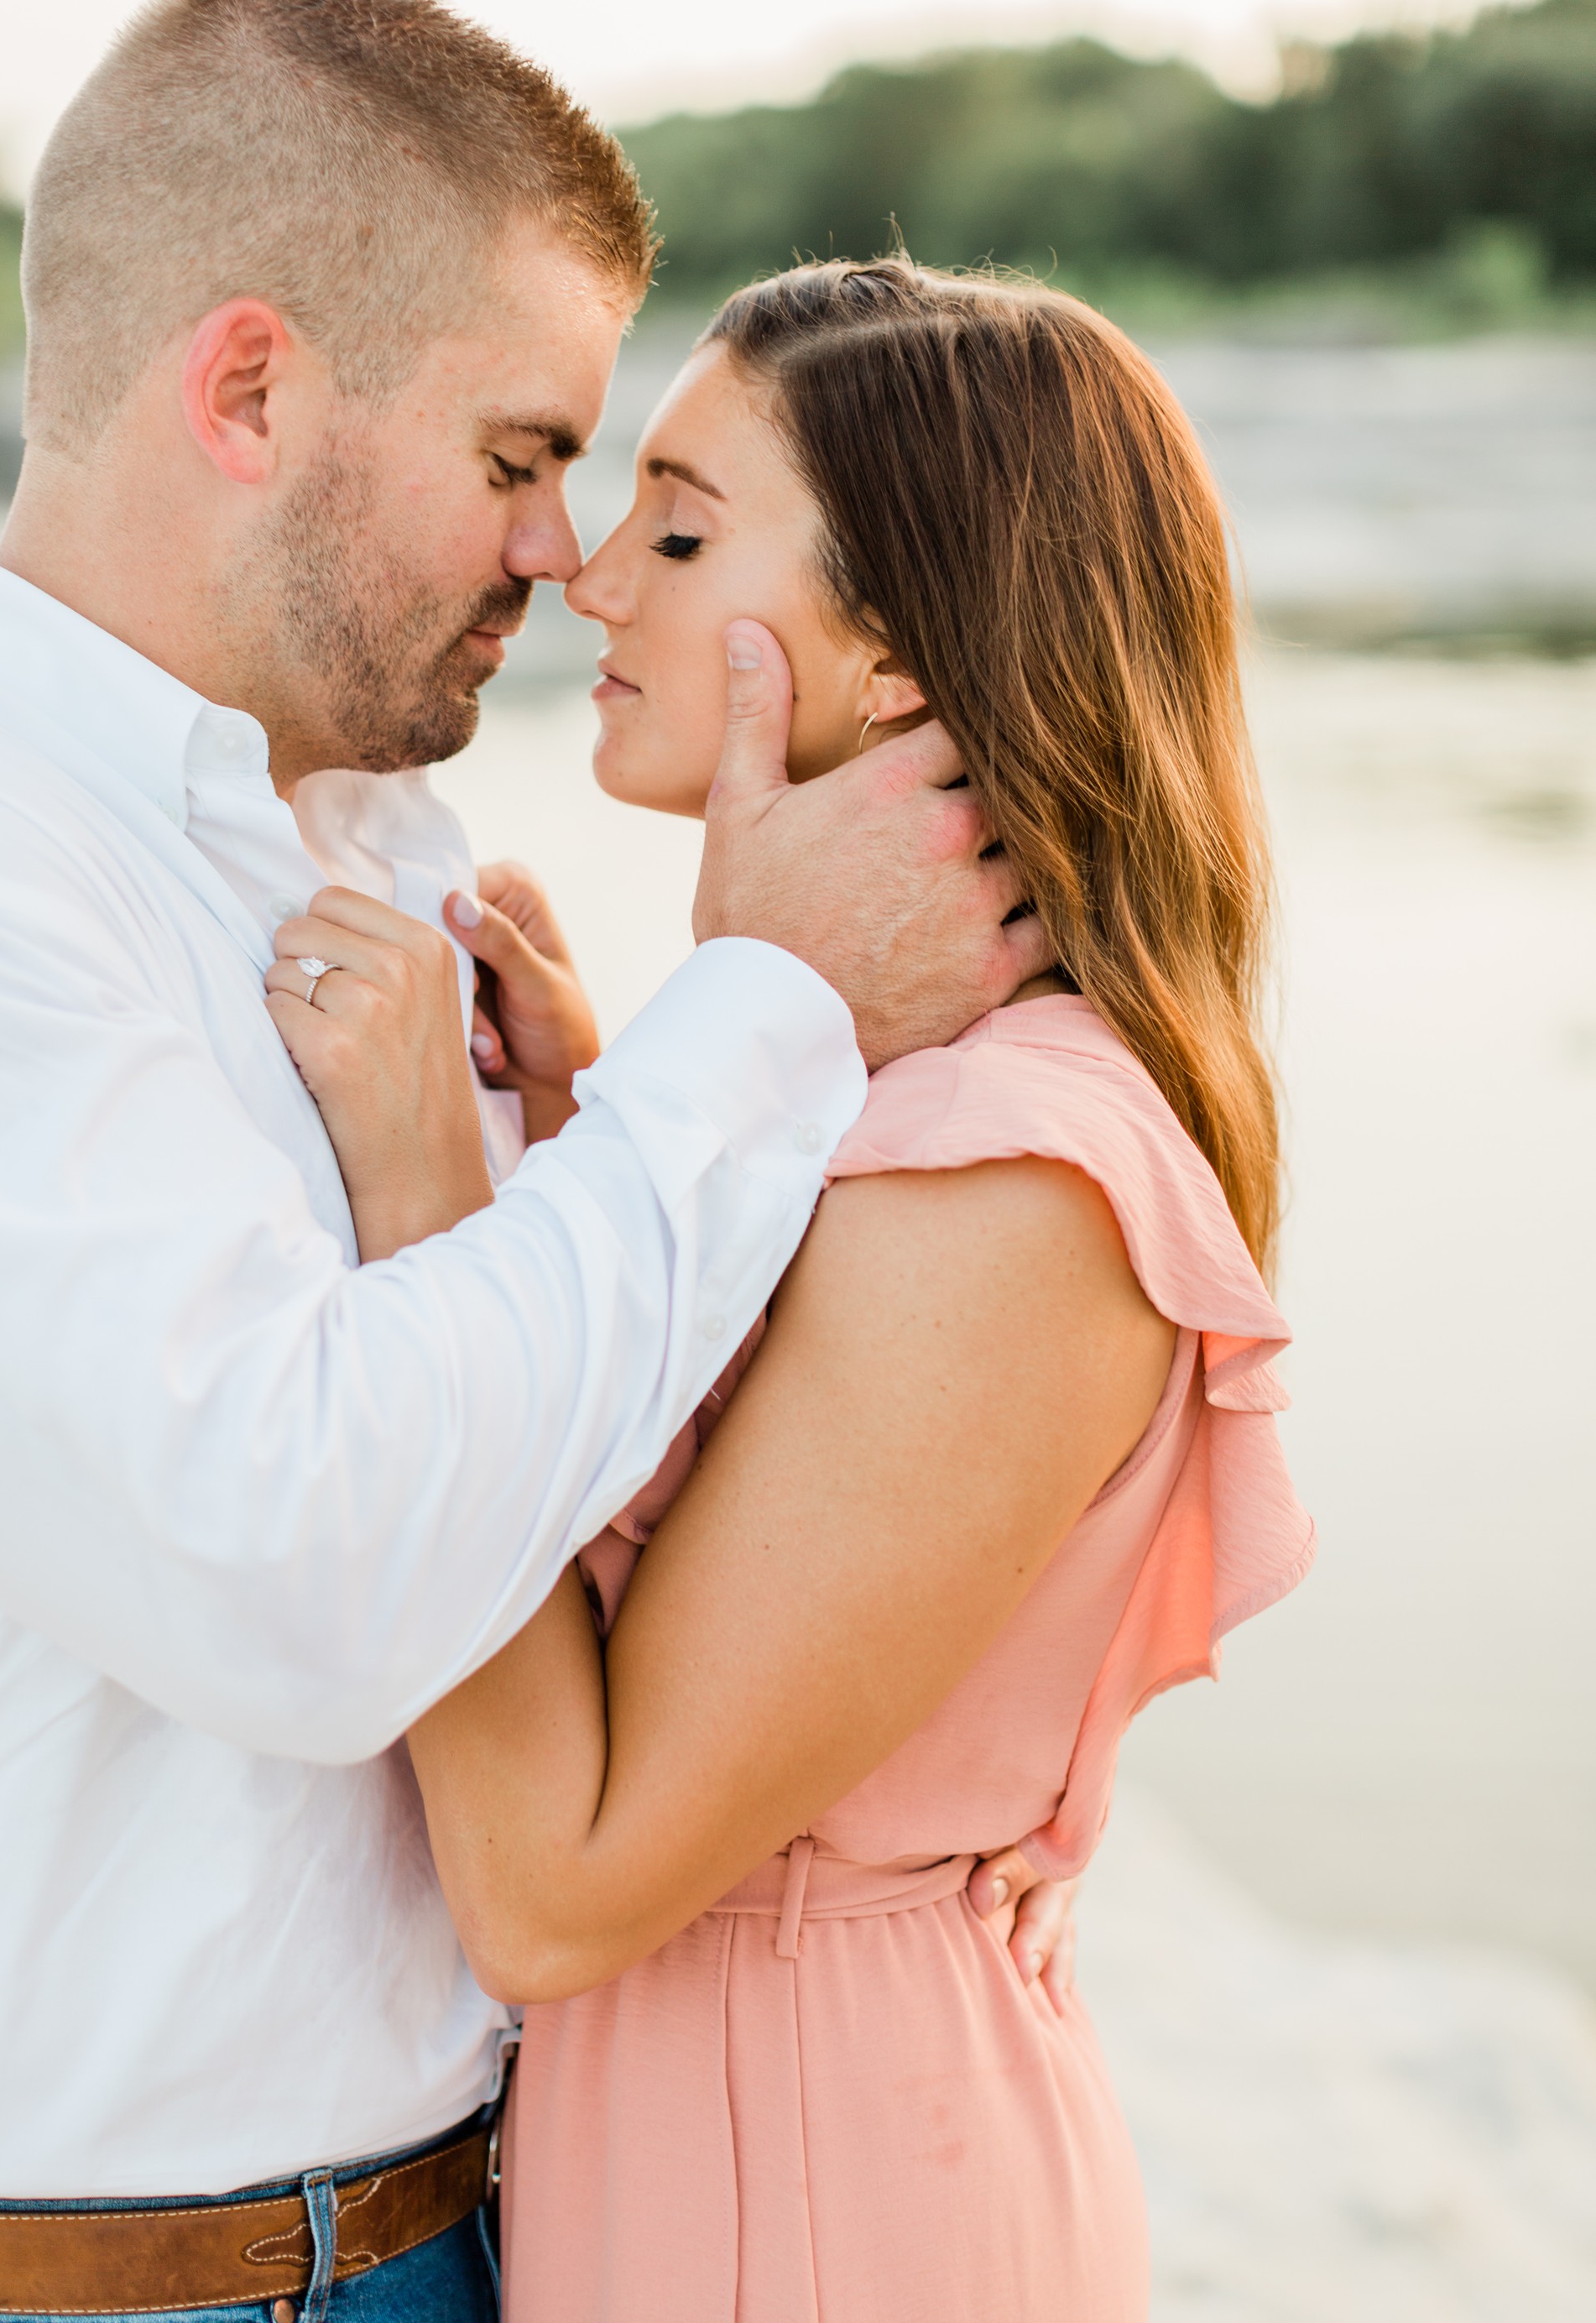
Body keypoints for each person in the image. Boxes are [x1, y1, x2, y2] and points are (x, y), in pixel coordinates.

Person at [0, 0, 1051, 2323]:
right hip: (98, 2293)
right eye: (524, 455)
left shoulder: (372, 827)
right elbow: (299, 1568)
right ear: (248, 392)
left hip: (481, 2229)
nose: (561, 553)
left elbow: (523, 1443)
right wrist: (771, 1019)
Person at [281, 258, 1317, 2321]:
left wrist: (427, 1197)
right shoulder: (898, 1098)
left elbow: (555, 1884)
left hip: (822, 2194)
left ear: (906, 656)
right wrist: (610, 1128)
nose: (588, 575)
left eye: (678, 526)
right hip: (728, 2143)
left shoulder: (1011, 1174)